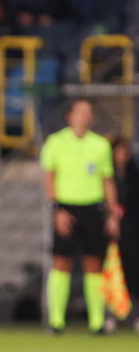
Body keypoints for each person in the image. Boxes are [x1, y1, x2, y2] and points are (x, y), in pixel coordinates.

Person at [40, 100, 121, 335]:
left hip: (92, 207)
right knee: (61, 262)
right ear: (70, 116)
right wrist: (57, 208)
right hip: (66, 207)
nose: (85, 116)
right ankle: (56, 321)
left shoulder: (100, 145)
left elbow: (107, 180)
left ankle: (97, 321)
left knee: (94, 263)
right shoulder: (56, 142)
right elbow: (49, 177)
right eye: (81, 112)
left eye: (89, 112)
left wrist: (112, 212)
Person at [111, 136, 139, 331]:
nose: (123, 155)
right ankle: (110, 314)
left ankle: (134, 313)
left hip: (130, 230)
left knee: (132, 269)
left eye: (126, 151)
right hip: (109, 230)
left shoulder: (133, 176)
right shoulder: (107, 175)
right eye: (120, 151)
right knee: (111, 271)